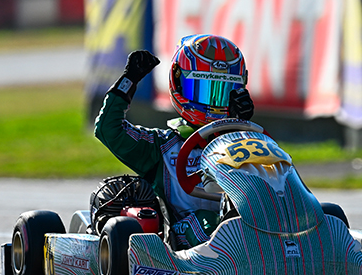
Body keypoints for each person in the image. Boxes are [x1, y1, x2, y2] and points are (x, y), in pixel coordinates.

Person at [94, 35, 255, 250]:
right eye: (204, 91)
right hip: (184, 242)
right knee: (207, 220)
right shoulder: (161, 146)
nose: (214, 103)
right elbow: (108, 129)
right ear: (179, 85)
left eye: (223, 93)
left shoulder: (247, 142)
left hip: (247, 228)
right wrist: (128, 81)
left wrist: (238, 128)